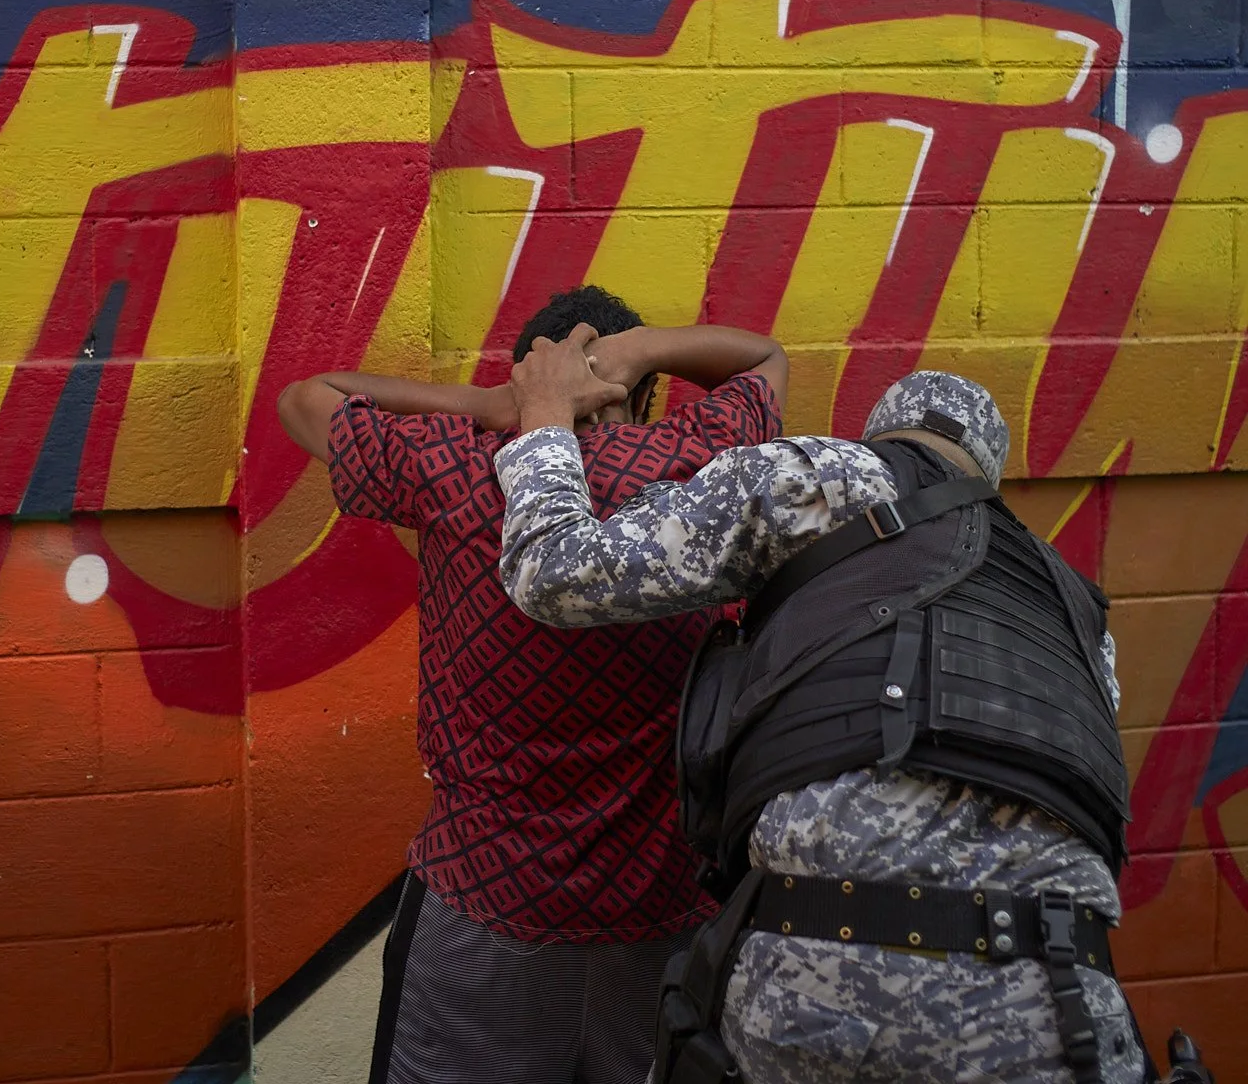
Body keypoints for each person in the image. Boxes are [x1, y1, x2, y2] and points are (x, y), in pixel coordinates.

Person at [494, 330, 1143, 1084]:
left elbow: (557, 573)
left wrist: (544, 421)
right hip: (1062, 1004)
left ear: (882, 436)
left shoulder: (821, 476)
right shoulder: (1074, 606)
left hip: (826, 978)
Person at [277, 287, 787, 1084]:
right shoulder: (694, 468)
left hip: (484, 908)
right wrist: (637, 351)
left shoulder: (450, 469)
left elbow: (308, 397)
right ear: (642, 392)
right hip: (659, 913)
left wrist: (490, 406)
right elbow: (764, 358)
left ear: (525, 377)